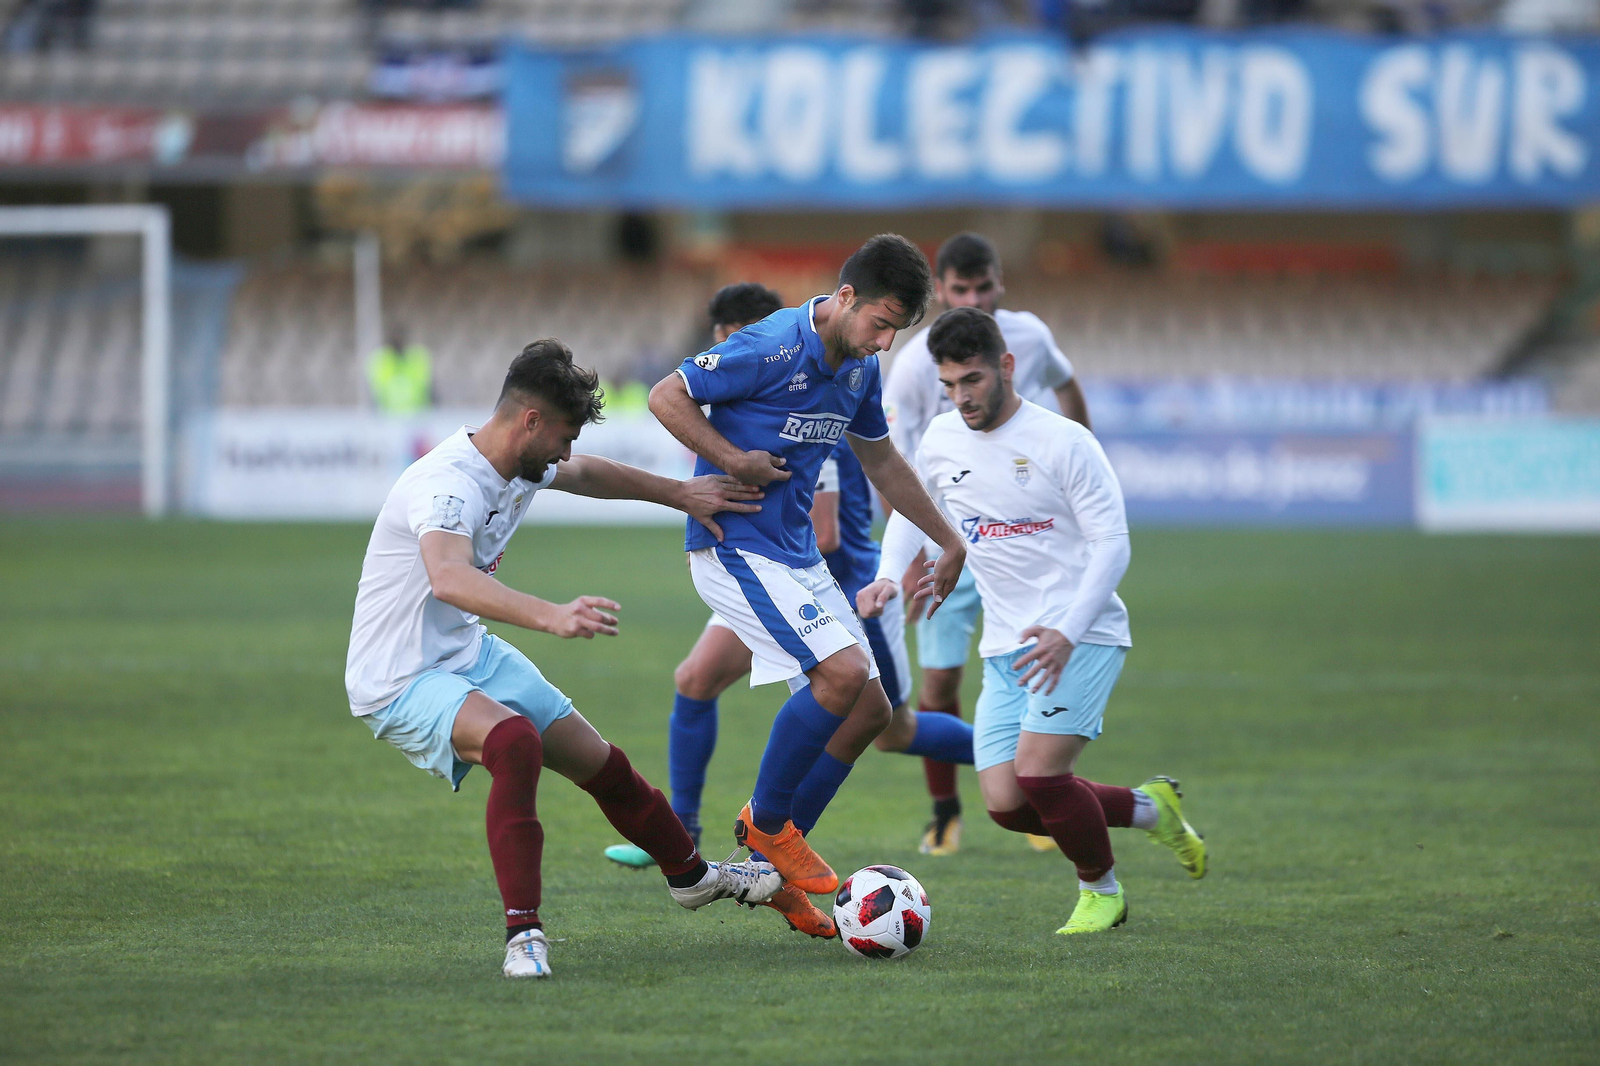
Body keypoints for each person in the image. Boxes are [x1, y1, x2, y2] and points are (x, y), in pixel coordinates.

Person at [344, 339, 784, 979]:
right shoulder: (446, 486)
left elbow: (588, 474)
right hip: (398, 675)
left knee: (600, 763)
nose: (566, 453)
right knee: (514, 743)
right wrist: (549, 614)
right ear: (530, 420)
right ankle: (524, 937)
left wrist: (681, 494)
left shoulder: (518, 460)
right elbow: (448, 577)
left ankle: (691, 877)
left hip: (464, 651)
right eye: (564, 436)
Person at [605, 284, 976, 936]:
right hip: (738, 549)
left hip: (804, 563)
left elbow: (884, 462)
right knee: (799, 680)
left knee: (873, 709)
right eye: (883, 324)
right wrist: (729, 460)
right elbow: (667, 394)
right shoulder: (772, 344)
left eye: (897, 331)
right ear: (848, 295)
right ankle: (765, 827)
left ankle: (768, 868)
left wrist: (948, 539)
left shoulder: (858, 368)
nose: (887, 342)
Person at [862, 307, 1205, 937]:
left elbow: (1113, 544)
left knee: (1042, 774)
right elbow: (914, 511)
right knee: (1008, 805)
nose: (961, 397)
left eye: (972, 380)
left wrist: (1069, 630)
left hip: (1082, 634)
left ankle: (1101, 890)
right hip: (1006, 646)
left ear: (1007, 367)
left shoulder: (1066, 442)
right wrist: (890, 573)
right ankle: (1151, 809)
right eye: (950, 385)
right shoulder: (940, 440)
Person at [882, 231, 1091, 857]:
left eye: (983, 285)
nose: (973, 296)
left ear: (1000, 283)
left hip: (1020, 541)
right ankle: (945, 810)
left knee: (1035, 671)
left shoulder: (1027, 337)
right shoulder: (920, 361)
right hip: (948, 538)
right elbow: (897, 463)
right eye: (960, 287)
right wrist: (915, 549)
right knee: (940, 683)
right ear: (940, 289)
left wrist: (1079, 459)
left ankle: (1043, 790)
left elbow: (1067, 386)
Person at [367, 326, 436, 415]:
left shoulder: (417, 359)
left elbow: (431, 391)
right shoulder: (381, 362)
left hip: (416, 417)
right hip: (388, 418)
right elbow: (374, 396)